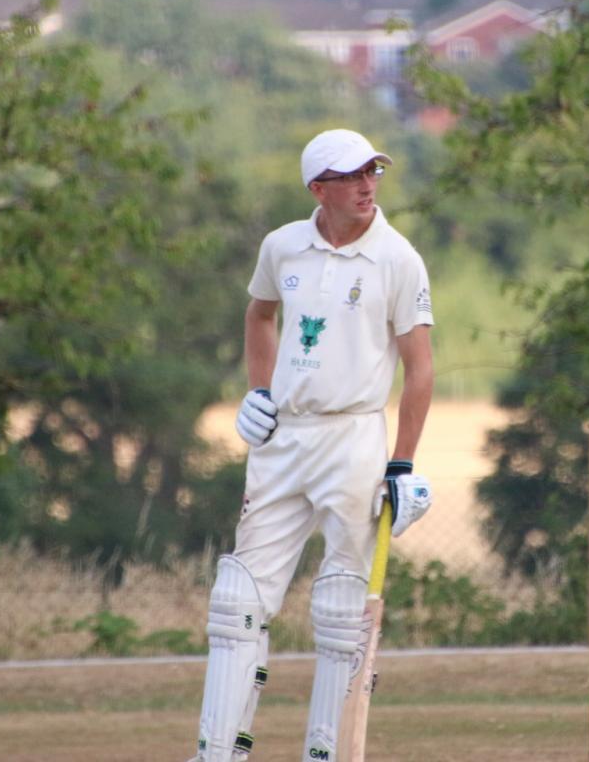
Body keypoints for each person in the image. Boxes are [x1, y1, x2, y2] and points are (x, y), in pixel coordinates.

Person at [188, 128, 435, 762]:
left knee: (340, 604)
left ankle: (327, 755)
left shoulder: (397, 259)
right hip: (282, 438)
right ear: (317, 188)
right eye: (352, 176)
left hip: (353, 437)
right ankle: (219, 754)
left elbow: (421, 368)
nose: (367, 185)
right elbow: (259, 314)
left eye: (372, 173)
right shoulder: (283, 247)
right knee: (237, 600)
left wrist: (402, 464)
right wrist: (259, 392)